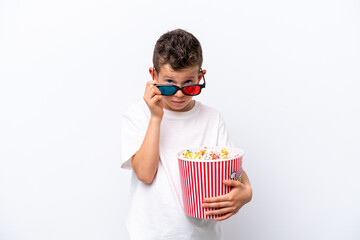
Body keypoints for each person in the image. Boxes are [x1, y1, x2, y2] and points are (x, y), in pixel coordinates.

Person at [121, 29, 252, 240]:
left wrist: (247, 194)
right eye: (170, 84)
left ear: (201, 77)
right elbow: (145, 174)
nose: (180, 94)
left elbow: (232, 171)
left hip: (201, 234)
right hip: (150, 234)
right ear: (153, 76)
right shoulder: (138, 115)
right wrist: (156, 117)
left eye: (189, 84)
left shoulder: (212, 118)